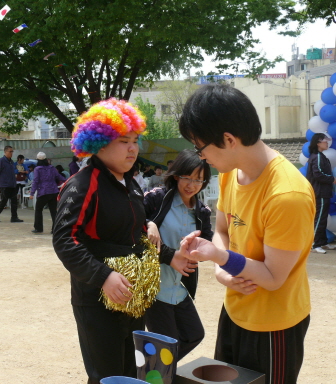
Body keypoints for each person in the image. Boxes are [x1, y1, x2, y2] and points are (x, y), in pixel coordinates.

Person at [177, 84, 314, 384]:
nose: (200, 157)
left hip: (274, 323)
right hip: (236, 310)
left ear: (228, 139)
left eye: (200, 147)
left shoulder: (287, 194)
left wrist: (220, 257)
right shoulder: (230, 172)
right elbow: (223, 230)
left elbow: (272, 277)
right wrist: (221, 271)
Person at [53, 98, 148, 383]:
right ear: (99, 143)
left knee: (131, 371)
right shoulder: (82, 183)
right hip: (96, 297)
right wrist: (104, 277)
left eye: (135, 140)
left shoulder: (129, 183)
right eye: (123, 141)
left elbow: (135, 233)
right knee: (106, 375)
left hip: (131, 295)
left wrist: (168, 252)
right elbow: (64, 240)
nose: (132, 148)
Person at [144, 149, 212, 361]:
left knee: (193, 335)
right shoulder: (156, 198)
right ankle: (153, 372)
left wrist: (198, 252)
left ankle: (150, 371)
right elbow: (130, 221)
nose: (192, 185)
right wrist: (150, 223)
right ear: (176, 175)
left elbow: (207, 244)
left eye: (199, 180)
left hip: (177, 287)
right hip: (154, 287)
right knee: (166, 347)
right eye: (187, 178)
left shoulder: (202, 212)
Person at [306, 133, 336, 254]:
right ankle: (314, 243)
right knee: (319, 218)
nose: (327, 143)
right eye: (325, 141)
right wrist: (332, 179)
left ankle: (322, 242)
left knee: (322, 218)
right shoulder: (317, 157)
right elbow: (318, 174)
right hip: (319, 192)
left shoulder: (320, 156)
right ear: (318, 143)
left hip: (324, 192)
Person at [30, 152, 66, 234]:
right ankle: (55, 229)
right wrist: (68, 180)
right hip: (53, 191)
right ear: (46, 159)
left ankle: (38, 228)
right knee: (53, 211)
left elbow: (35, 181)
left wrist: (32, 193)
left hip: (43, 192)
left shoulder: (37, 169)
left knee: (38, 209)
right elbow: (59, 177)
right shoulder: (52, 168)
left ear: (38, 160)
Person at [0, 146, 23, 223]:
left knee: (14, 201)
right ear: (5, 152)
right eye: (10, 151)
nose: (11, 153)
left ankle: (14, 217)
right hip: (4, 184)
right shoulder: (1, 161)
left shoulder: (11, 162)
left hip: (12, 184)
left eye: (12, 151)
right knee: (3, 201)